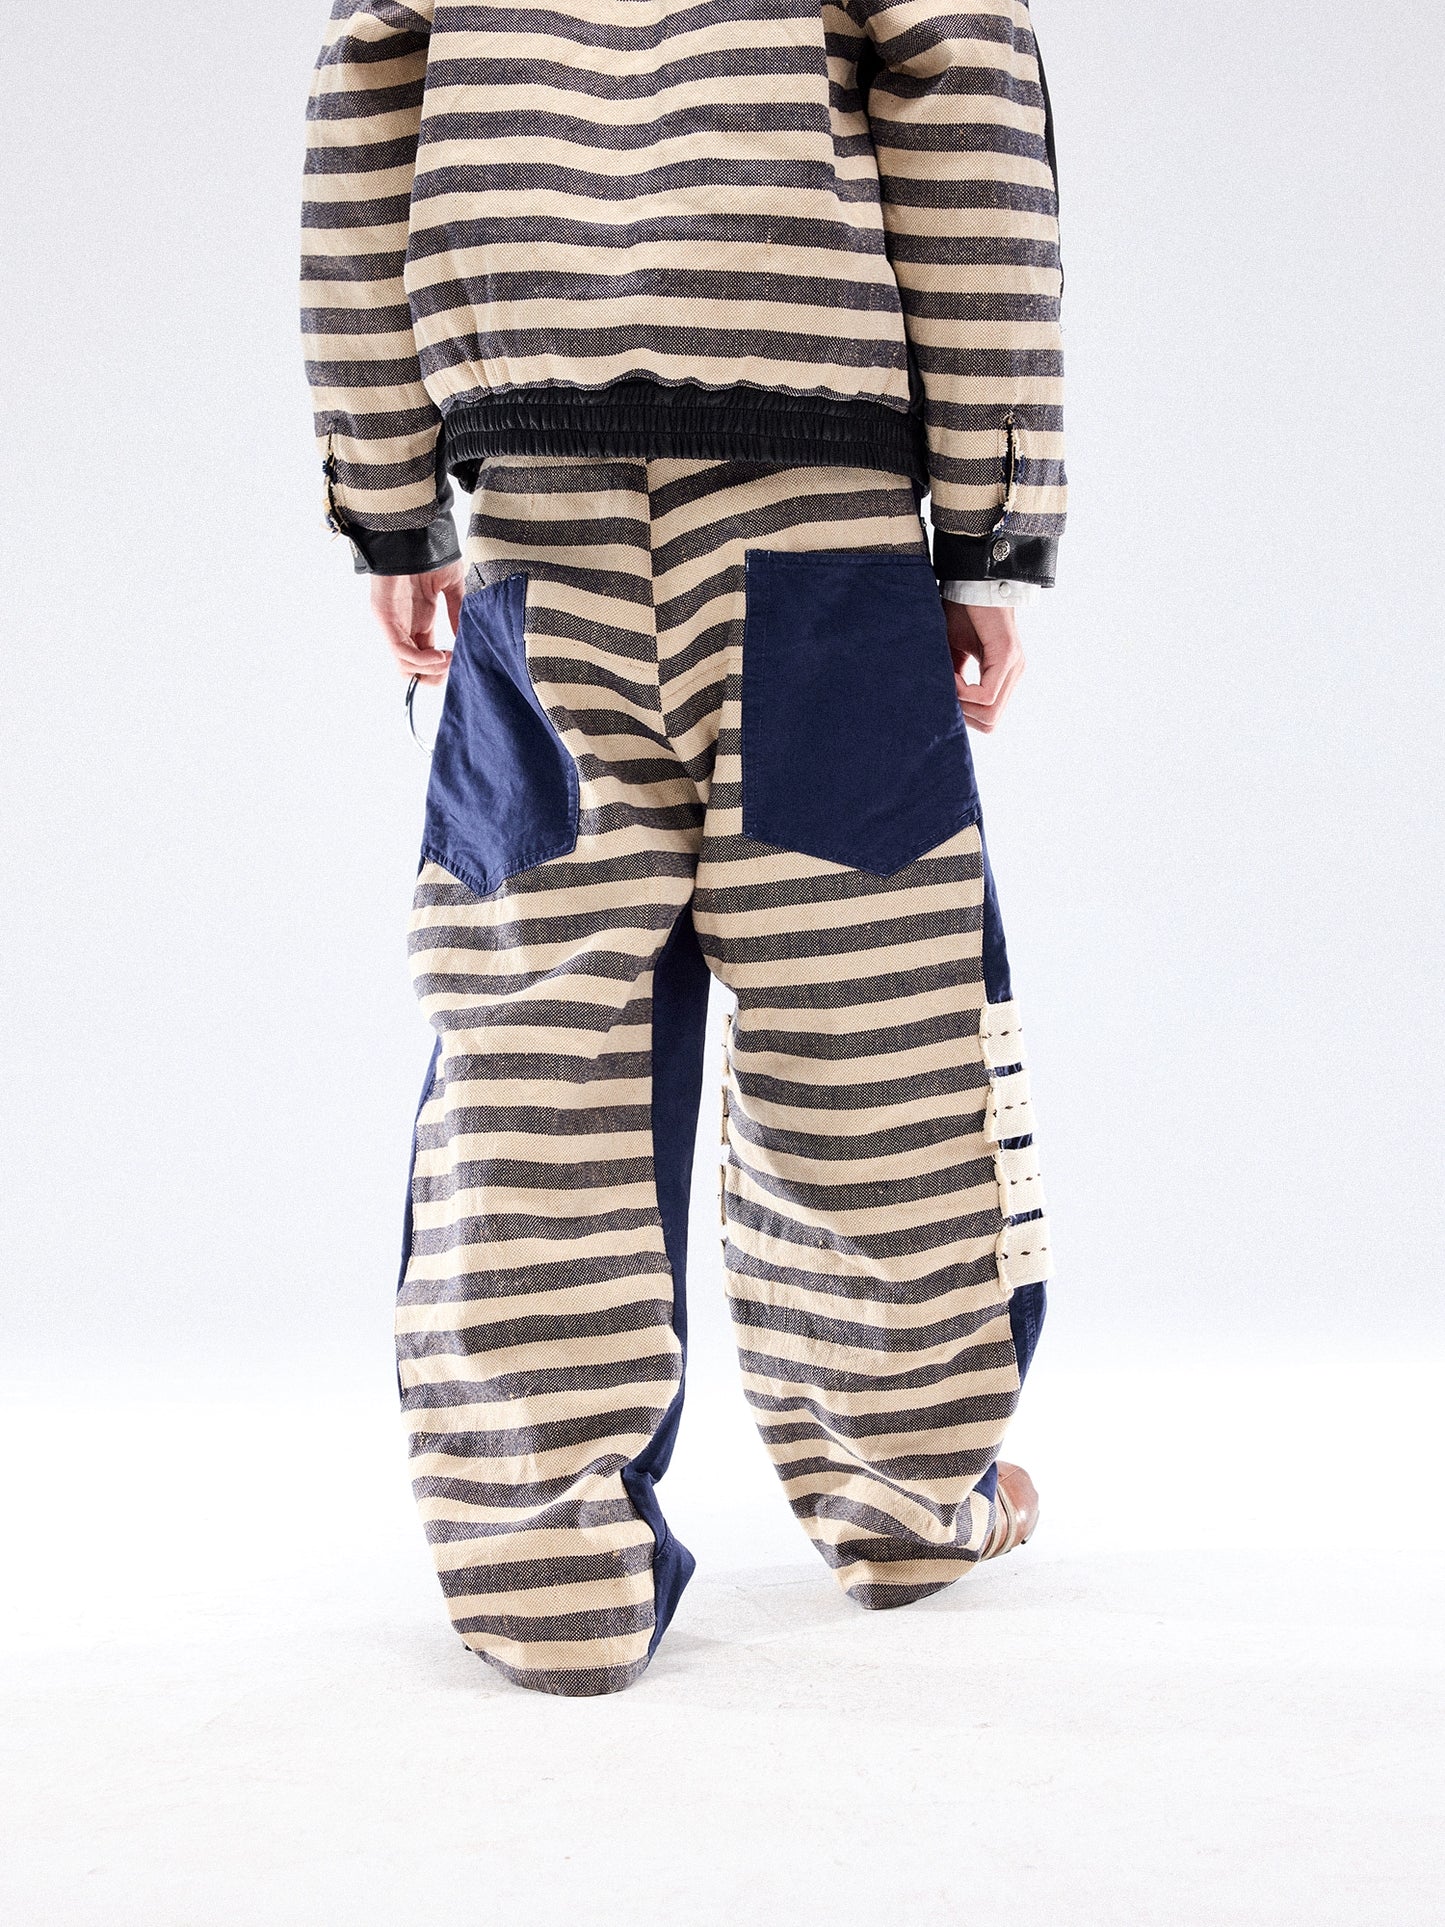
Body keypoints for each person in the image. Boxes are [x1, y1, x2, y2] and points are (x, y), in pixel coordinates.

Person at [301, 0, 1062, 1698]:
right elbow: (959, 98)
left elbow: (365, 104)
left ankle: (543, 1572)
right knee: (867, 1018)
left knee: (533, 1036)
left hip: (536, 511)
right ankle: (902, 1499)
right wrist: (991, 523)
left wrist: (388, 497)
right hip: (815, 514)